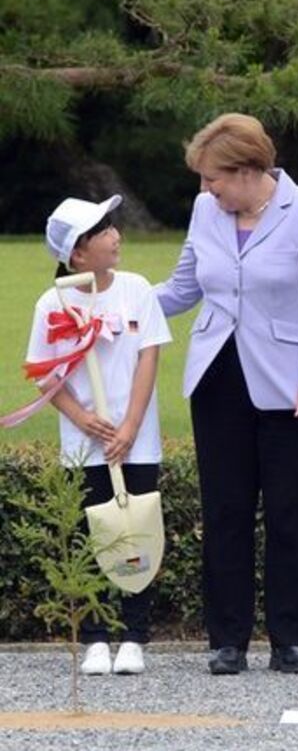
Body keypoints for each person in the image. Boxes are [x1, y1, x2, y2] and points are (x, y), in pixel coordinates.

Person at [155, 113, 298, 676]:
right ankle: (227, 639)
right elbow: (183, 288)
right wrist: (116, 304)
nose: (205, 189)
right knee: (225, 510)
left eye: (212, 178)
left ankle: (289, 637)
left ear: (245, 170)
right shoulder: (204, 211)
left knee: (290, 513)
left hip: (291, 385)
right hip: (218, 378)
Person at [23, 195, 170, 676]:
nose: (116, 236)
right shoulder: (54, 302)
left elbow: (149, 356)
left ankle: (134, 636)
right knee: (94, 537)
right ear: (78, 254)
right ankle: (94, 637)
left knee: (136, 533)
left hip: (136, 441)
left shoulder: (136, 289)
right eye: (104, 231)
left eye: (112, 227)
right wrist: (83, 418)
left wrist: (129, 427)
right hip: (85, 445)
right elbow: (43, 374)